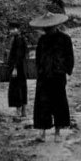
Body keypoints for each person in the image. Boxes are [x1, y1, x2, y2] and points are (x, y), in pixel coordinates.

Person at [29, 12, 74, 142]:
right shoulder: (42, 40)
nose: (47, 30)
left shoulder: (65, 39)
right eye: (45, 28)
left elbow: (69, 56)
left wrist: (66, 70)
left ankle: (58, 132)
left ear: (56, 26)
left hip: (58, 75)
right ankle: (41, 132)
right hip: (44, 76)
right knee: (42, 103)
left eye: (49, 27)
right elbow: (38, 57)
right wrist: (40, 70)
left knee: (58, 102)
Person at [6, 21, 28, 120]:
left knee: (16, 89)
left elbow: (18, 55)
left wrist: (14, 68)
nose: (10, 31)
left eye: (12, 29)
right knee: (22, 87)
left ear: (17, 29)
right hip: (21, 67)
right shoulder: (19, 38)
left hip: (18, 67)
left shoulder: (18, 39)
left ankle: (19, 111)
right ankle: (23, 111)